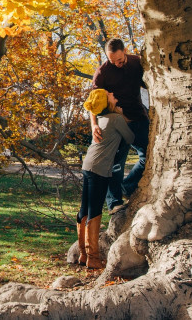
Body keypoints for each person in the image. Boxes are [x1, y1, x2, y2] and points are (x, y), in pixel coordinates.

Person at [77, 89, 134, 268]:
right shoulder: (115, 119)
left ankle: (83, 255)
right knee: (94, 211)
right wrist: (122, 116)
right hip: (100, 169)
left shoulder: (101, 119)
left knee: (84, 209)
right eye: (109, 94)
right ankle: (93, 258)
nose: (112, 93)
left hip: (88, 165)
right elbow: (130, 138)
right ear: (106, 101)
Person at [91, 38, 149, 213]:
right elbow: (93, 103)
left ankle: (126, 187)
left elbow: (150, 84)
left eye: (120, 60)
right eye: (112, 61)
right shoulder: (102, 73)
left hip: (138, 118)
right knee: (115, 165)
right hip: (116, 122)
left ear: (125, 51)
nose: (117, 64)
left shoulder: (137, 63)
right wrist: (94, 126)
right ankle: (114, 203)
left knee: (148, 157)